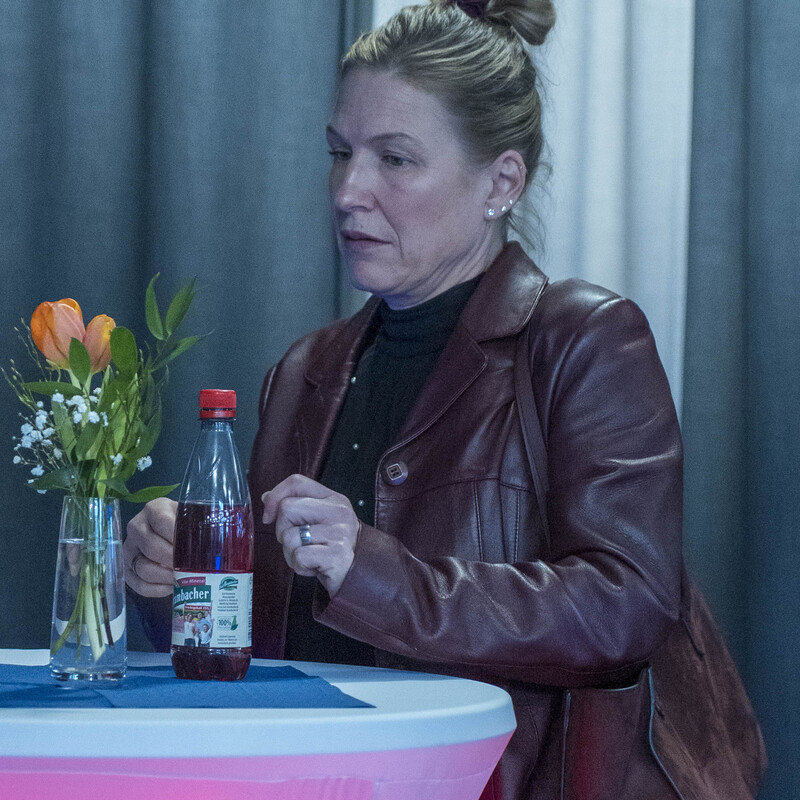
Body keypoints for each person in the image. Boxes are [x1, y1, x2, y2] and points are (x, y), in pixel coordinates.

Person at [123, 1, 766, 797]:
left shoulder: (585, 340)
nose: (349, 190)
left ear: (502, 181)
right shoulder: (302, 372)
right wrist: (178, 583)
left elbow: (627, 608)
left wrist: (372, 569)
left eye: (395, 159)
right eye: (340, 152)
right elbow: (269, 645)